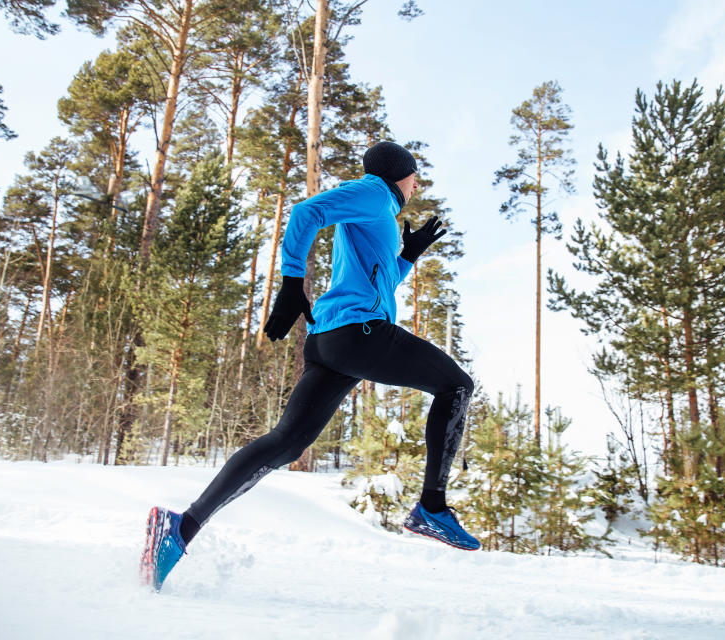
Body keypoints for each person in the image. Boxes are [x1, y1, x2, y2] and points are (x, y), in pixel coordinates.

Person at [140, 141, 479, 592]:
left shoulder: (375, 213)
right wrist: (291, 281)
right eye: (415, 175)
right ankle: (432, 507)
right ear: (399, 174)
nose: (418, 185)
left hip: (332, 341)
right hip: (360, 333)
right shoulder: (375, 194)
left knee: (286, 443)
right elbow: (303, 214)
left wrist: (407, 256)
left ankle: (179, 529)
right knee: (456, 387)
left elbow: (375, 282)